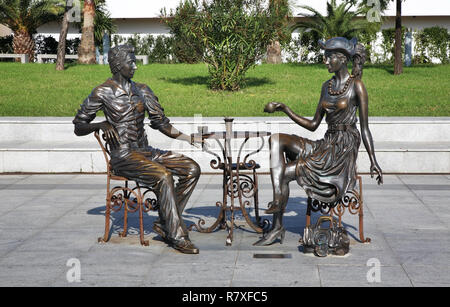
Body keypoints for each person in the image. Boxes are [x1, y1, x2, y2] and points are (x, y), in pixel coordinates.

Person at [254, 37, 383, 246]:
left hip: (342, 149)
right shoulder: (327, 87)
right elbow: (314, 124)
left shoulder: (357, 86)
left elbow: (365, 129)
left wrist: (373, 161)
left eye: (328, 57)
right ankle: (279, 200)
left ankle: (277, 226)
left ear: (341, 59)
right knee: (276, 140)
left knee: (285, 173)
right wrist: (285, 109)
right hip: (326, 142)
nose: (325, 62)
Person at [73, 45, 201, 254]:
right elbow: (79, 126)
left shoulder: (142, 90)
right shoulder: (102, 92)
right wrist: (100, 125)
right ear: (117, 65)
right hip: (123, 156)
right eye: (130, 62)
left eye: (135, 62)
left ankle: (165, 221)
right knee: (163, 175)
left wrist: (187, 137)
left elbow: (160, 122)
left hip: (146, 151)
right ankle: (177, 235)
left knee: (191, 169)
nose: (135, 66)